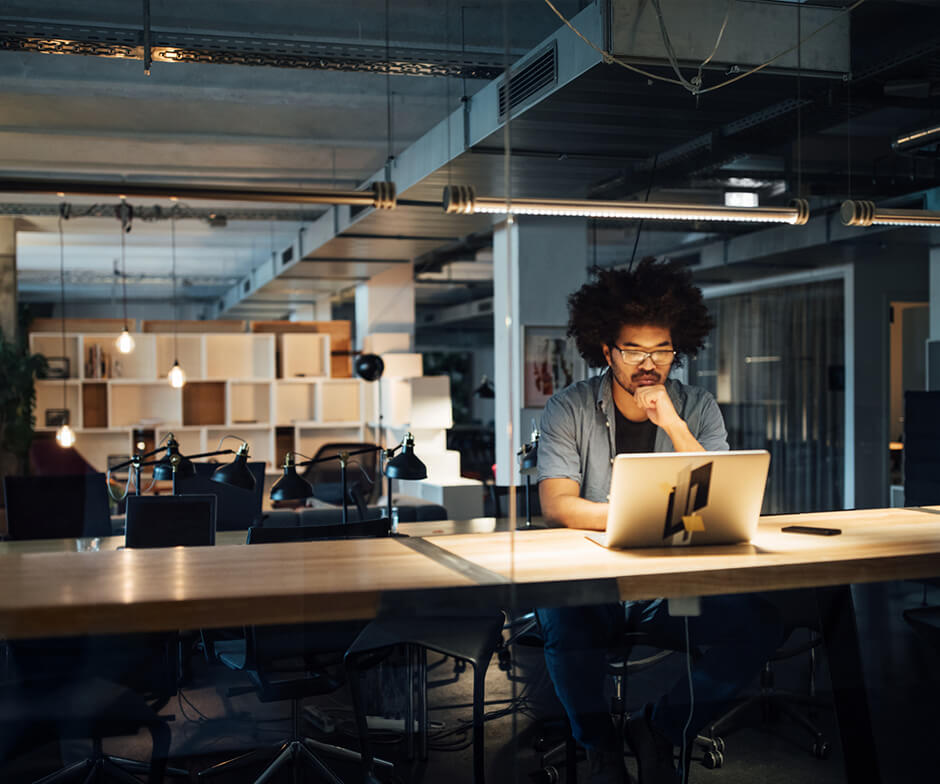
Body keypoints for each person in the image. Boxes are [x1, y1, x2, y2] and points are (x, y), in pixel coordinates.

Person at [536, 258, 784, 784]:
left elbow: (716, 493)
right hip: (592, 581)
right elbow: (559, 504)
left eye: (661, 350)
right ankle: (599, 747)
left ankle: (663, 729)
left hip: (668, 587)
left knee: (759, 626)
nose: (649, 363)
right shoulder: (568, 407)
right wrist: (644, 516)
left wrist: (671, 422)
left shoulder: (696, 407)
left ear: (678, 348)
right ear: (606, 350)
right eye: (633, 350)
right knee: (565, 625)